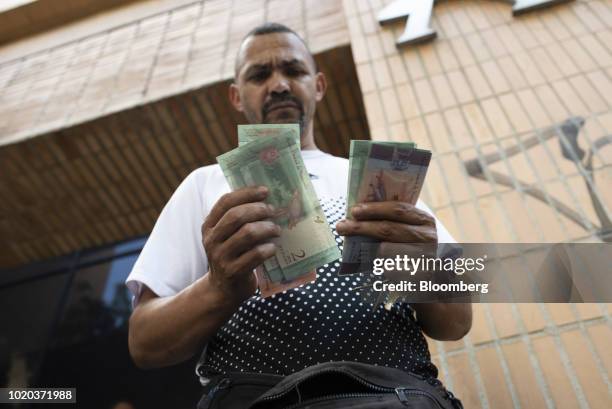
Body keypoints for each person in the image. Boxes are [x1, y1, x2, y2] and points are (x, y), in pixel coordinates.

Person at [126, 22, 471, 407]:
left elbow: (456, 323)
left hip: (398, 395)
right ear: (236, 97)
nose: (279, 85)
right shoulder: (206, 184)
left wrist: (421, 269)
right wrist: (218, 287)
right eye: (260, 74)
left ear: (319, 85)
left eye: (294, 70)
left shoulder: (380, 185)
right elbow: (144, 342)